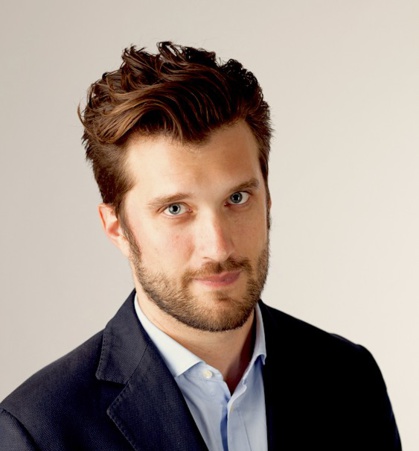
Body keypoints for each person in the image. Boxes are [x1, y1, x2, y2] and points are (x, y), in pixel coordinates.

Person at [0, 42, 401, 451]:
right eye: (175, 209)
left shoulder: (351, 380)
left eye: (237, 198)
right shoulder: (38, 432)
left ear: (267, 199)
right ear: (117, 228)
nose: (218, 246)